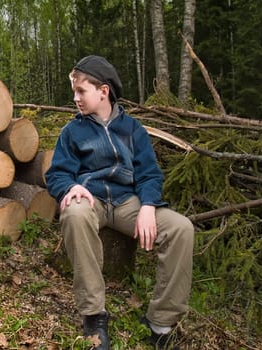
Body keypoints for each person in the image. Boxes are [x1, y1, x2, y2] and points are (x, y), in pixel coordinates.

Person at [45, 55, 194, 350]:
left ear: (103, 91)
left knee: (181, 229)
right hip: (92, 200)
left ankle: (161, 322)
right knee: (74, 214)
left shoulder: (133, 130)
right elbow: (56, 175)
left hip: (129, 202)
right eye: (74, 91)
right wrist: (72, 186)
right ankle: (94, 316)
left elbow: (150, 173)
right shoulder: (71, 132)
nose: (75, 98)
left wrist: (149, 205)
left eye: (81, 91)